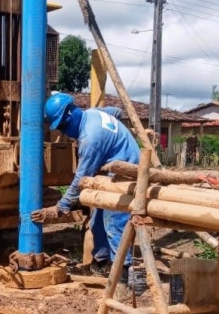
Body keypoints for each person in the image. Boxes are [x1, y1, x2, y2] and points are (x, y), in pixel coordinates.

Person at [31, 92, 140, 289]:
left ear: (71, 114)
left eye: (63, 126)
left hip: (127, 172)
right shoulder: (92, 113)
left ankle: (124, 277)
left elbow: (80, 180)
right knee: (98, 219)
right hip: (113, 168)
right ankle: (101, 263)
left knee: (115, 222)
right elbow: (116, 111)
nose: (65, 132)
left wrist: (60, 208)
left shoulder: (90, 139)